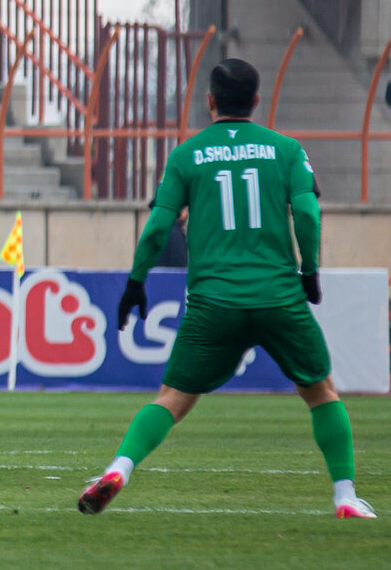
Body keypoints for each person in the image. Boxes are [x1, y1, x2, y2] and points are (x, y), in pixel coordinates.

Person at [79, 59, 376, 521]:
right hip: (279, 297)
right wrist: (311, 271)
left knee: (172, 399)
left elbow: (158, 226)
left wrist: (135, 282)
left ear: (210, 100)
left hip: (213, 302)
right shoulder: (286, 149)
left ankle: (118, 469)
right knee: (322, 394)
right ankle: (344, 497)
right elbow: (309, 215)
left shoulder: (186, 155)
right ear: (256, 101)